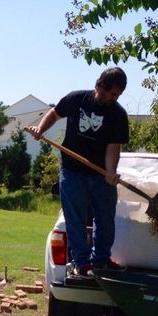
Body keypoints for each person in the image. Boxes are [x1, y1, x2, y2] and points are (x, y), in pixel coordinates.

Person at [25, 67, 130, 276]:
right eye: (111, 93)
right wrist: (40, 129)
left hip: (100, 174)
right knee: (75, 218)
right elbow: (54, 113)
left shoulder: (118, 115)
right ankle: (82, 263)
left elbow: (113, 147)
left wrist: (111, 172)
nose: (113, 98)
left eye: (117, 95)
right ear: (99, 85)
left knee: (105, 219)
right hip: (72, 171)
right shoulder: (76, 99)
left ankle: (101, 260)